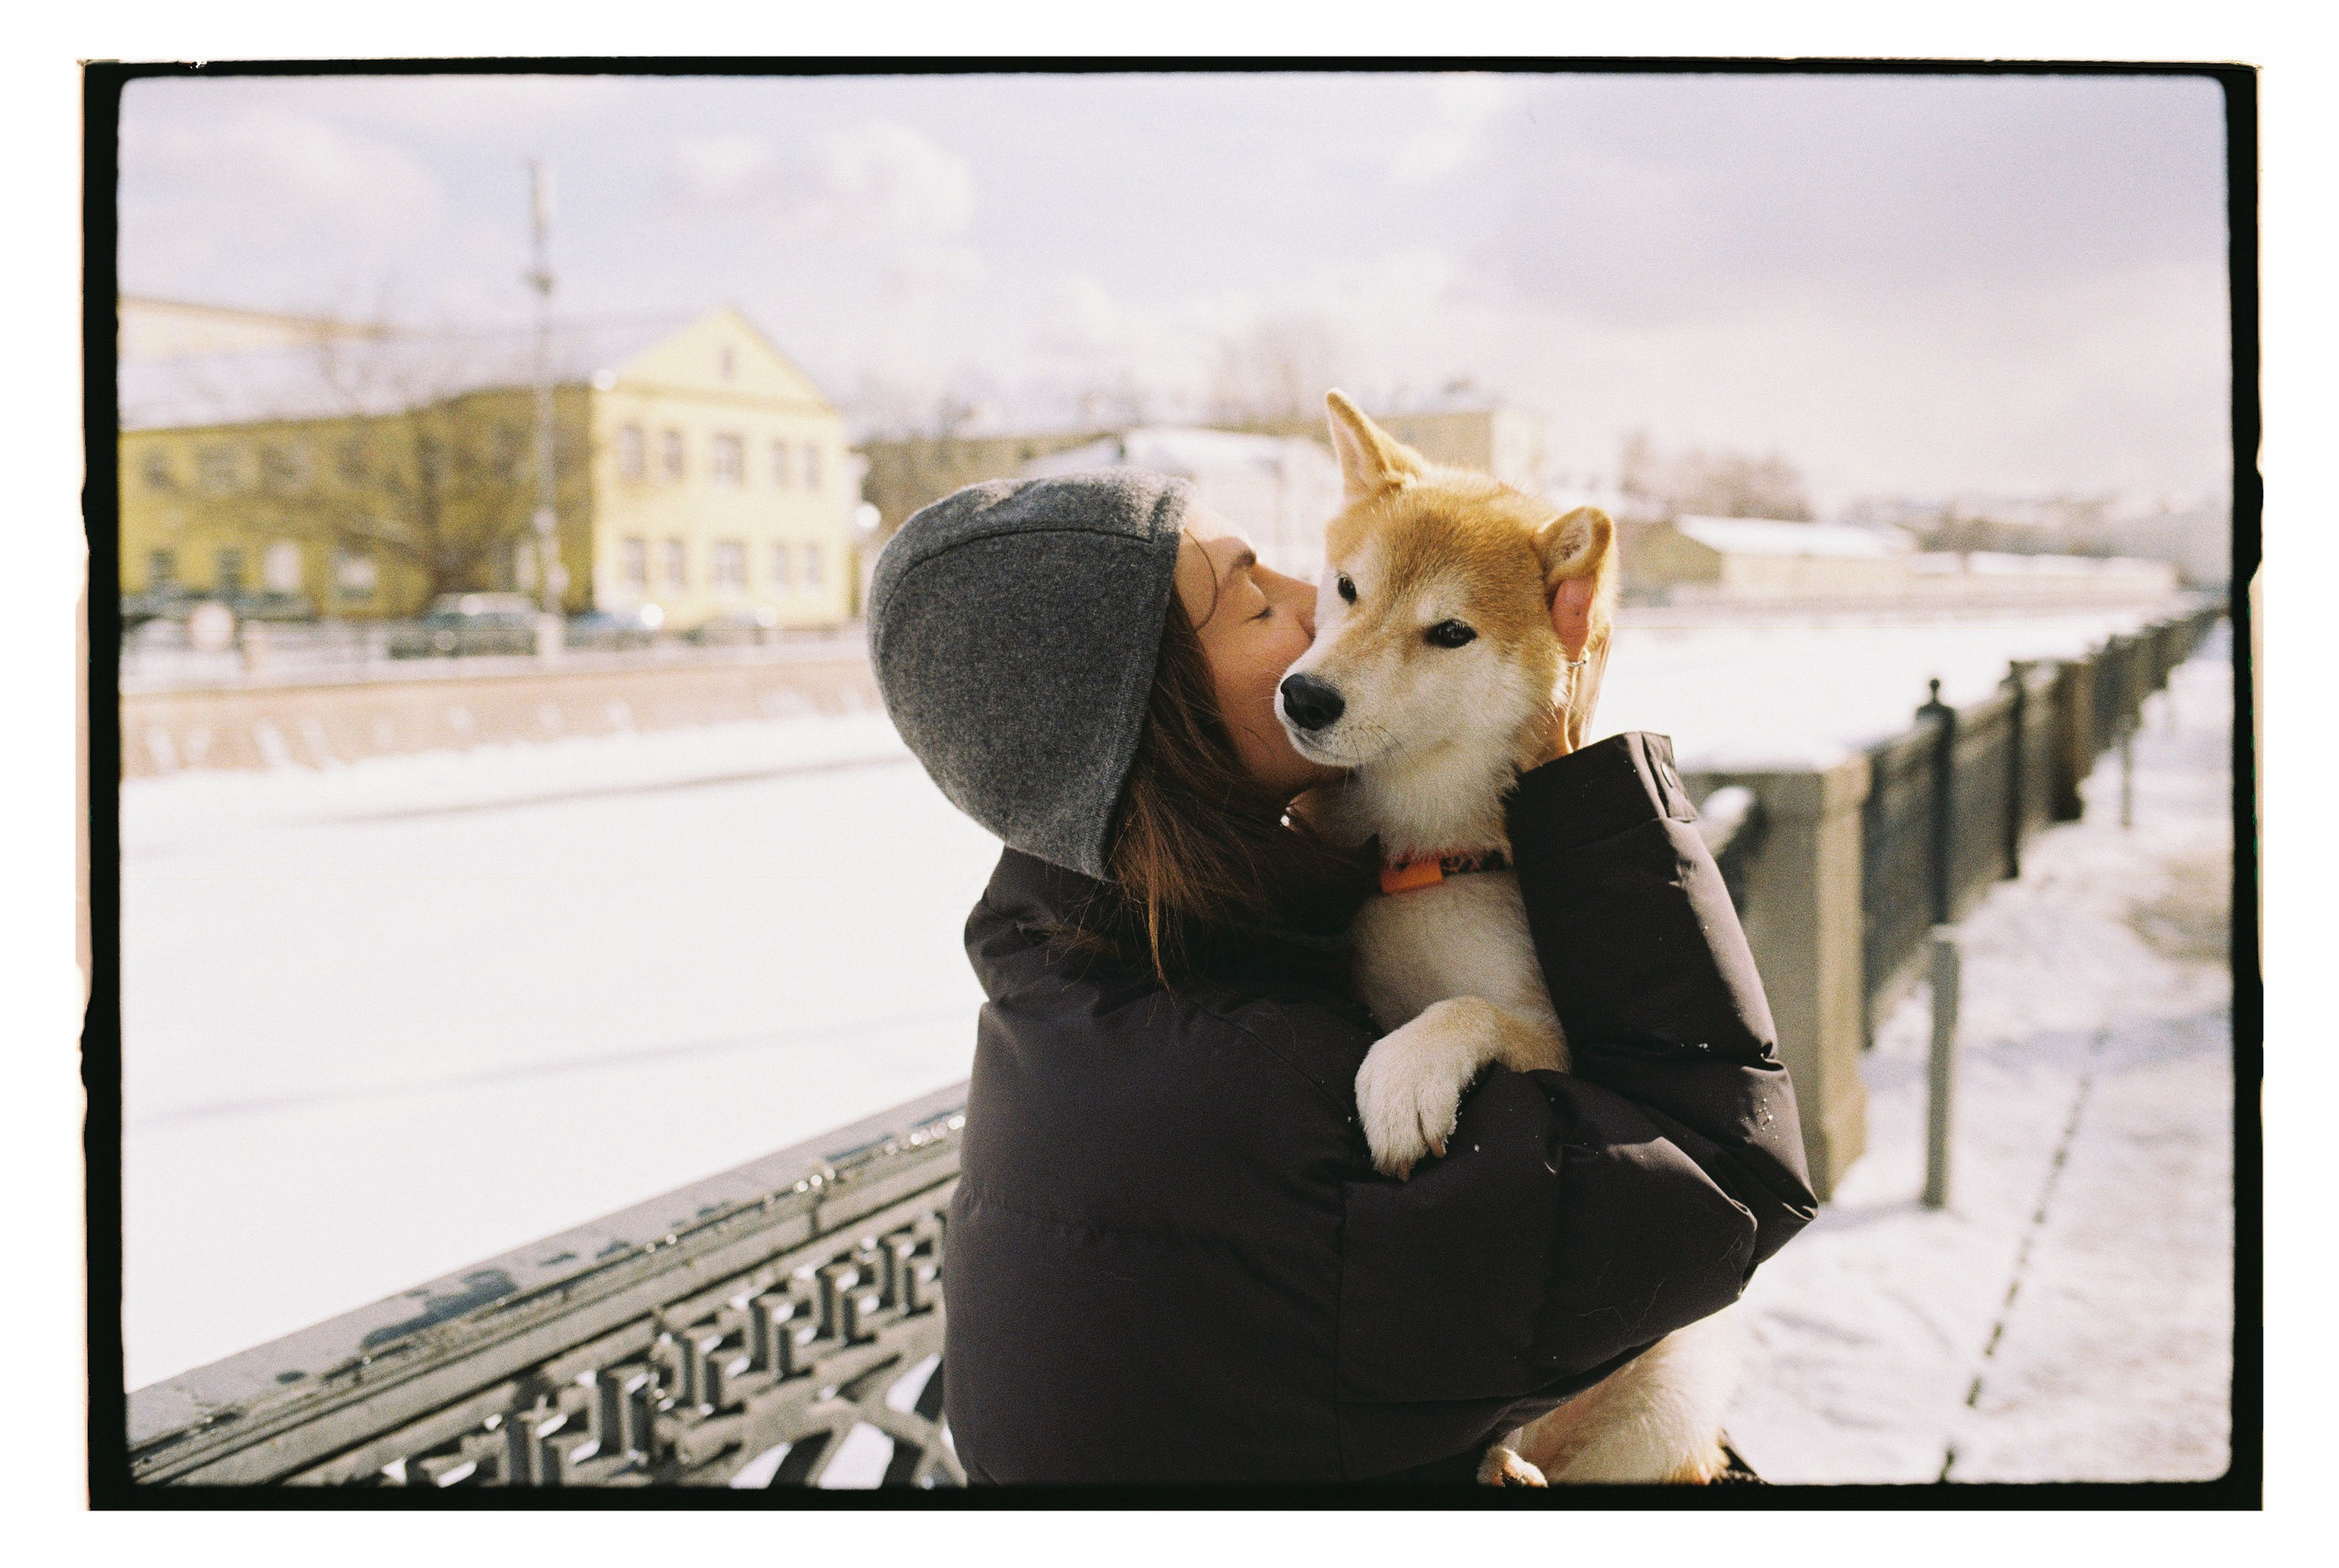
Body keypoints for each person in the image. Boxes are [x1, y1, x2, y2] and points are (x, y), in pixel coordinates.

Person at [867, 470, 1816, 1486]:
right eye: (1257, 600)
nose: (1316, 606)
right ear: (1154, 713)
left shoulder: (1096, 986)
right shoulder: (1257, 1088)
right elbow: (1719, 1192)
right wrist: (1568, 767)